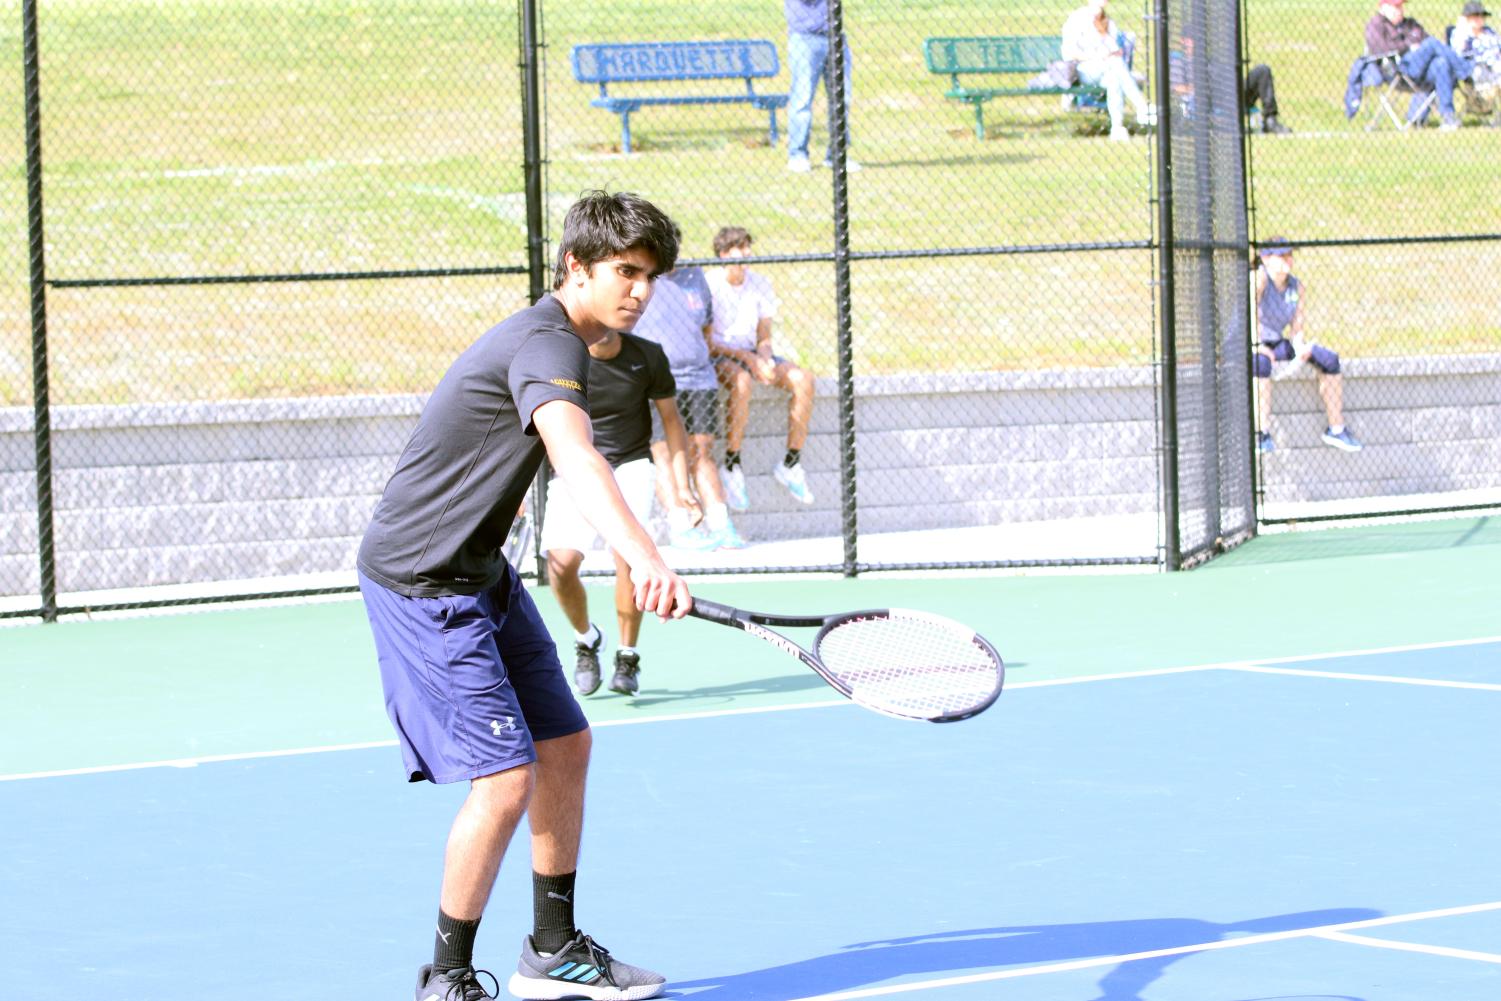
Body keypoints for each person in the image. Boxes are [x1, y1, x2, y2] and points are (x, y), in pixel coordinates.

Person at [356, 190, 690, 1001]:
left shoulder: (562, 343)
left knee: (565, 745)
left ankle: (552, 947)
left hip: (480, 574)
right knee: (504, 777)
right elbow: (576, 456)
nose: (639, 291)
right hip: (424, 580)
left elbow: (497, 467)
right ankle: (444, 976)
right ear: (575, 267)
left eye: (650, 277)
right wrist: (642, 555)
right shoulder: (546, 341)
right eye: (624, 271)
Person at [541, 322, 698, 700]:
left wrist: (683, 487)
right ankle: (586, 639)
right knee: (560, 566)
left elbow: (672, 422)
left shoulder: (647, 356)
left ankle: (628, 655)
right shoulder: (564, 360)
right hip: (576, 465)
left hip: (631, 464)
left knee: (629, 562)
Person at [632, 224, 748, 552]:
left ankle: (720, 523)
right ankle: (680, 525)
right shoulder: (642, 280)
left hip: (700, 378)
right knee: (663, 452)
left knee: (702, 451)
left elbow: (707, 327)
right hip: (655, 382)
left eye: (674, 246)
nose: (671, 252)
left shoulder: (695, 277)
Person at [706, 226, 817, 508]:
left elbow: (764, 334)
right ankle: (732, 465)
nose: (744, 254)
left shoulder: (760, 283)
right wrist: (749, 360)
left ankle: (791, 463)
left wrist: (764, 357)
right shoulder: (710, 284)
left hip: (753, 353)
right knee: (742, 381)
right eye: (737, 249)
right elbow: (707, 343)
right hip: (722, 355)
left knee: (803, 380)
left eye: (746, 247)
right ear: (722, 255)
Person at [1252, 238, 1362, 455]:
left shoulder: (1297, 286)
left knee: (1329, 360)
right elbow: (1250, 314)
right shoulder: (1258, 278)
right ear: (1265, 258)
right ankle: (1261, 434)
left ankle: (1336, 429)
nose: (1287, 260)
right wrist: (1255, 344)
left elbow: (1296, 328)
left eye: (1289, 255)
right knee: (1261, 364)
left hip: (1275, 342)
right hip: (1250, 342)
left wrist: (1300, 347)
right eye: (1281, 255)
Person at [1366, 0, 1477, 128]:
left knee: (1442, 64)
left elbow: (1425, 40)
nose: (1400, 10)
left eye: (1401, 6)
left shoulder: (1410, 24)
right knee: (1432, 43)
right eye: (1396, 7)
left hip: (1420, 68)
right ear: (1383, 8)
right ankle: (1468, 72)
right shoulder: (1376, 25)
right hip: (1399, 69)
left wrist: (1419, 48)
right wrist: (1409, 46)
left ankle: (1448, 117)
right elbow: (1381, 49)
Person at [1061, 0, 1156, 141]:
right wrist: (1096, 56)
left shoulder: (1107, 21)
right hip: (1083, 70)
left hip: (1108, 69)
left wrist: (1112, 52)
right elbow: (1069, 52)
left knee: (1114, 79)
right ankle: (1142, 107)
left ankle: (1117, 128)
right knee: (1115, 65)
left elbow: (1114, 49)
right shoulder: (1077, 18)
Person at [784, 0, 860, 173]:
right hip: (805, 37)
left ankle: (836, 155)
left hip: (836, 36)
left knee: (843, 99)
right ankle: (797, 155)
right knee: (802, 100)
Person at [1452, 0, 1501, 95]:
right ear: (1466, 18)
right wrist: (1463, 29)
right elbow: (1457, 55)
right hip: (1478, 71)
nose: (1479, 19)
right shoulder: (1461, 35)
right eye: (1475, 16)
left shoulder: (1490, 32)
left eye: (1482, 16)